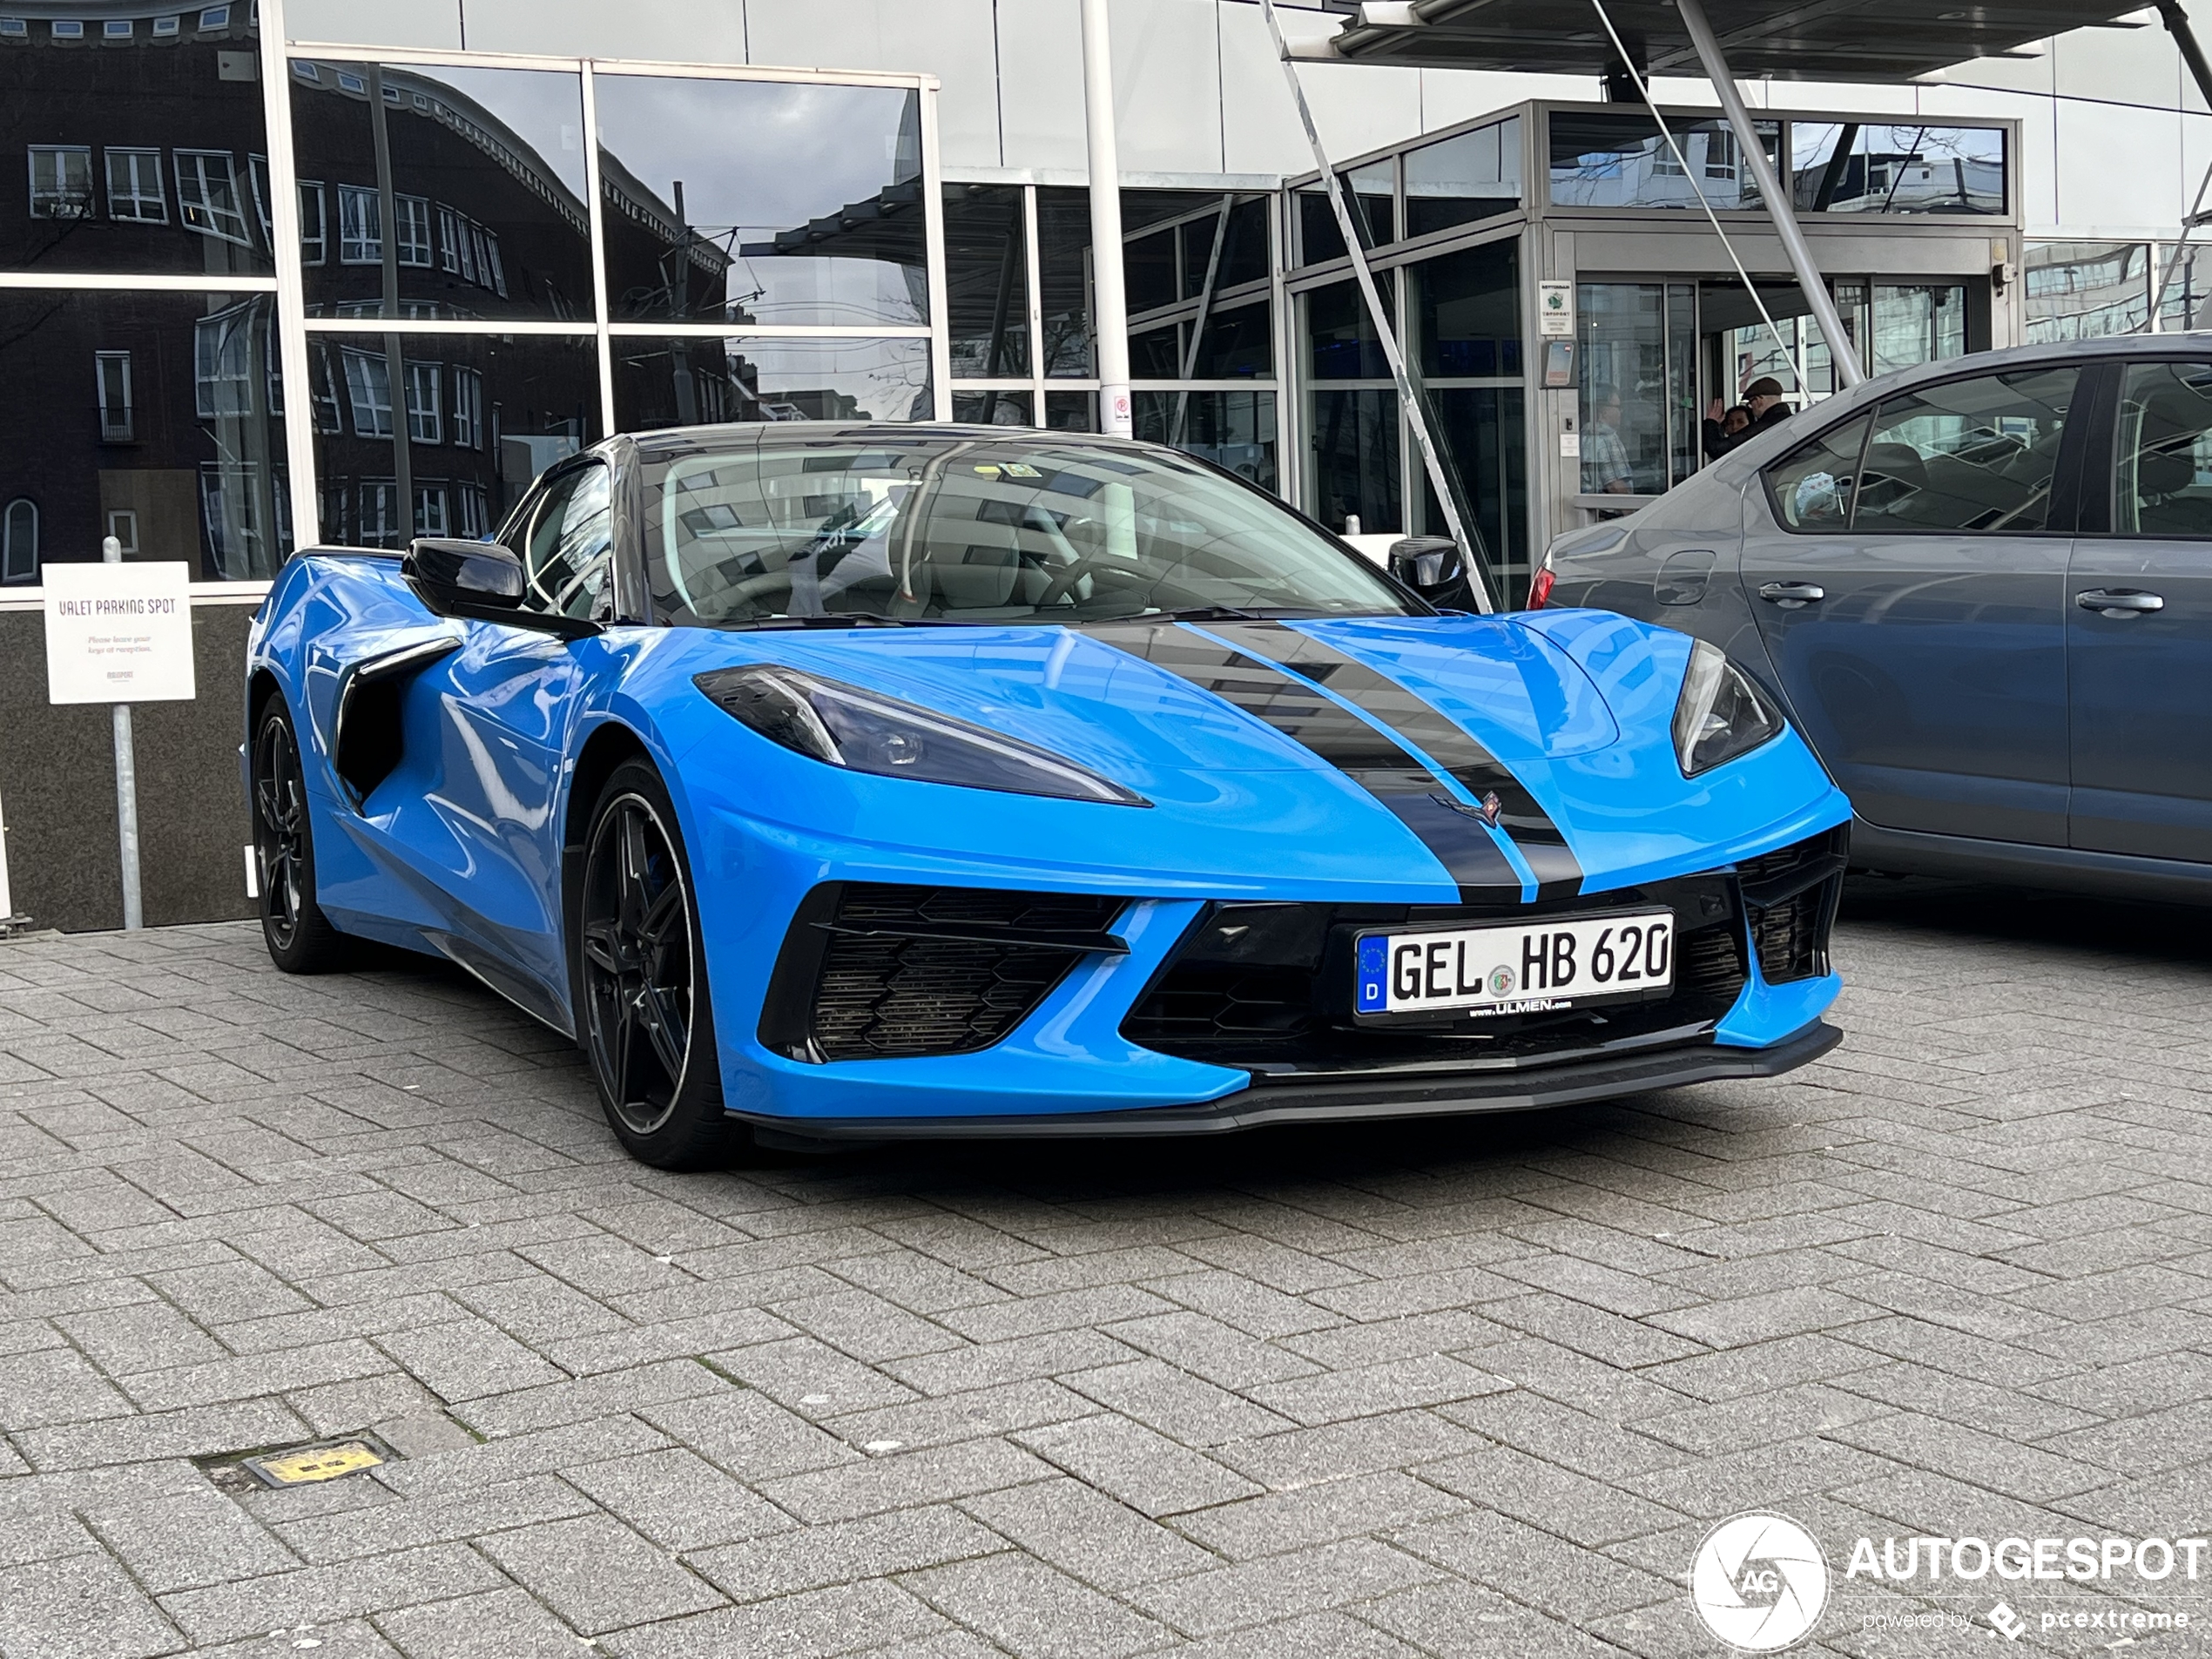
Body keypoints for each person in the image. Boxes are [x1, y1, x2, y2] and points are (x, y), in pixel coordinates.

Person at [1703, 376, 1792, 459]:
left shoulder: (1765, 426)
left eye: (1750, 403)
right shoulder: (1790, 421)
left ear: (1758, 401)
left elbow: (1717, 449)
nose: (1751, 408)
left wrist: (1711, 422)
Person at [1584, 390, 1634, 494]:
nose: (1621, 412)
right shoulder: (1606, 438)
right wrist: (1629, 510)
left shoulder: (1587, 435)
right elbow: (1615, 485)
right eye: (1618, 407)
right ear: (1604, 412)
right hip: (1611, 507)